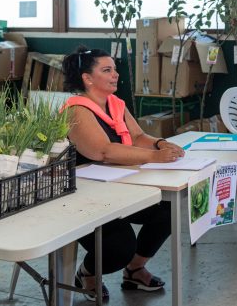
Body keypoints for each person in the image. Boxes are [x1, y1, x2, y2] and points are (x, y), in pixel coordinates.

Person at [62, 45, 186, 301]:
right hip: (86, 198)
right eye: (107, 70)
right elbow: (104, 151)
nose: (115, 74)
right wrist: (154, 157)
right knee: (120, 246)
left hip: (120, 188)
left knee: (167, 210)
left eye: (115, 69)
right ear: (87, 78)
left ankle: (135, 270)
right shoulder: (77, 110)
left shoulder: (115, 104)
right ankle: (87, 274)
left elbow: (138, 136)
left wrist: (161, 144)